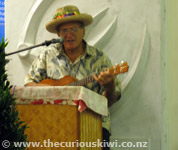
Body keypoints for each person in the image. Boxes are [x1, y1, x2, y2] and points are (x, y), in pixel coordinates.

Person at [24, 5, 121, 150]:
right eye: (64, 30)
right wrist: (52, 90)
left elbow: (110, 101)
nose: (69, 34)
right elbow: (28, 86)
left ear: (83, 31)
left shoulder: (99, 58)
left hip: (92, 125)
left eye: (74, 29)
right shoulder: (47, 55)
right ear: (58, 34)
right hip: (53, 124)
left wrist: (110, 85)